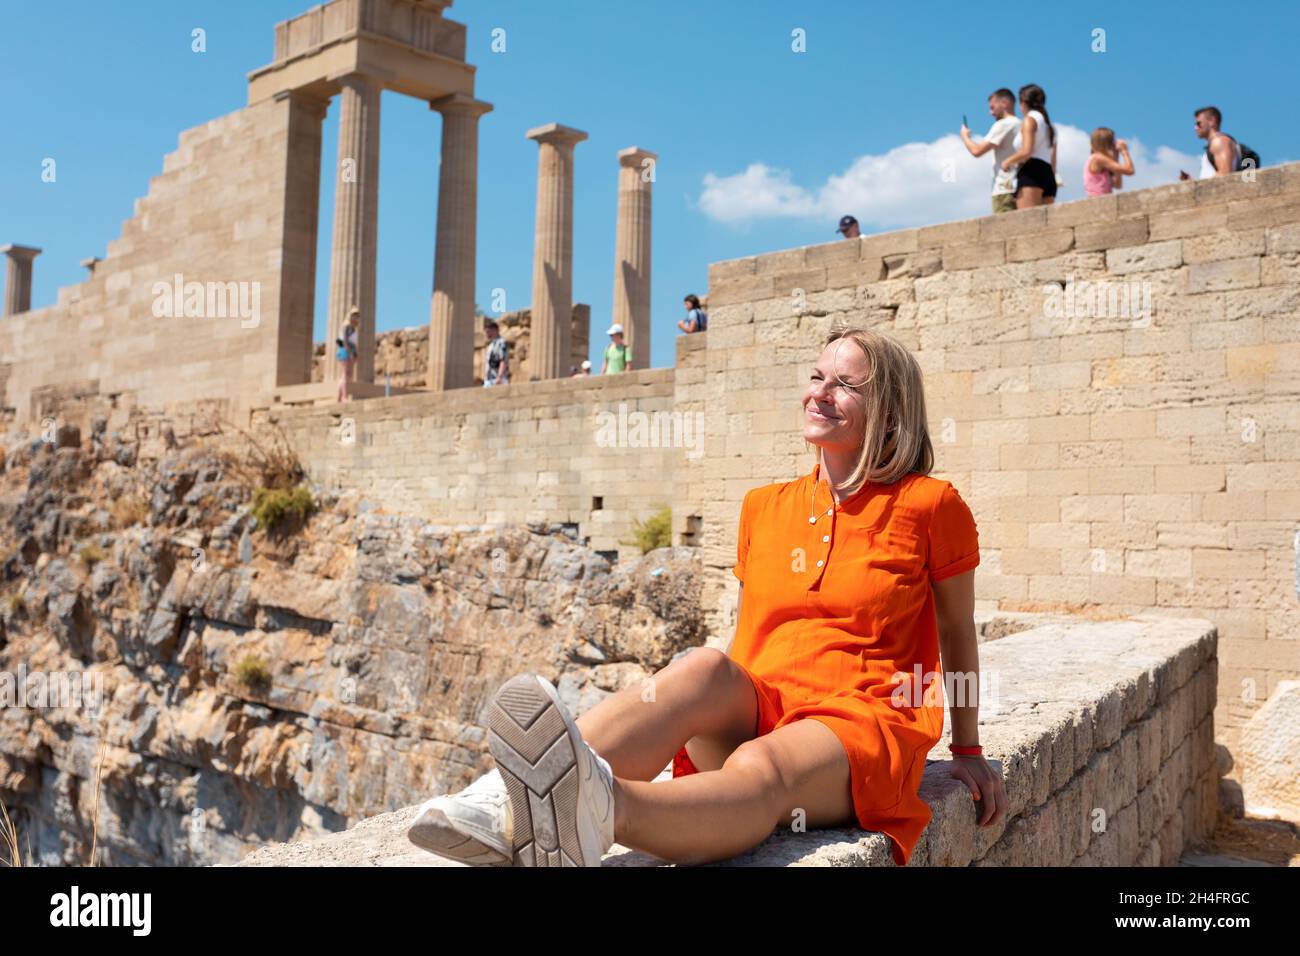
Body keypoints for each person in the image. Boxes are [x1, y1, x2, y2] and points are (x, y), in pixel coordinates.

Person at [406, 327, 1008, 867]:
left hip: (862, 721)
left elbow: (957, 630)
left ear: (890, 409)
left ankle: (599, 809)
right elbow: (753, 637)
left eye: (845, 384)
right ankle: (499, 803)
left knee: (764, 767)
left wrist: (969, 746)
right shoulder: (763, 507)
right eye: (816, 376)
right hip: (766, 701)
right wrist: (713, 699)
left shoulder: (931, 505)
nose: (820, 392)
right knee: (700, 666)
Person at [960, 88, 1021, 213]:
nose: (990, 113)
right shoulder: (1021, 124)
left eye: (992, 107)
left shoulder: (1003, 124)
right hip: (1020, 187)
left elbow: (976, 151)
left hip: (1004, 188)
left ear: (1004, 103)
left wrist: (965, 136)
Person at [1001, 83, 1057, 208]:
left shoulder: (1029, 120)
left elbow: (1026, 151)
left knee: (1029, 223)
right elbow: (1053, 161)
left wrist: (1007, 162)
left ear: (1023, 102)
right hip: (1048, 175)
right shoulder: (1050, 126)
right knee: (1047, 226)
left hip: (1031, 173)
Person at [1179, 106, 1243, 180]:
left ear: (1212, 121)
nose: (1195, 127)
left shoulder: (1219, 142)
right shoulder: (1215, 144)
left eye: (1198, 123)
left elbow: (1225, 175)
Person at [1083, 127, 1135, 197]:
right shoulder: (1098, 158)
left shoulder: (1097, 159)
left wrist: (1116, 159)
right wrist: (1124, 151)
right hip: (1098, 202)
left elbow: (1118, 185)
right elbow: (1130, 170)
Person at [335, 307, 360, 402]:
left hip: (350, 351)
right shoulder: (346, 326)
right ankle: (344, 397)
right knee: (345, 374)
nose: (356, 317)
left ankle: (339, 397)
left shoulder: (353, 328)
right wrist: (349, 353)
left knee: (346, 374)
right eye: (354, 315)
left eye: (357, 316)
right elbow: (344, 341)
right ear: (350, 316)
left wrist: (355, 354)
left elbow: (353, 343)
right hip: (345, 351)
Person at [483, 319, 509, 386]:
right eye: (486, 332)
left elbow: (503, 360)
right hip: (489, 380)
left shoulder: (501, 343)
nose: (487, 334)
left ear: (495, 331)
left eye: (488, 332)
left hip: (498, 380)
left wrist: (499, 377)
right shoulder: (490, 345)